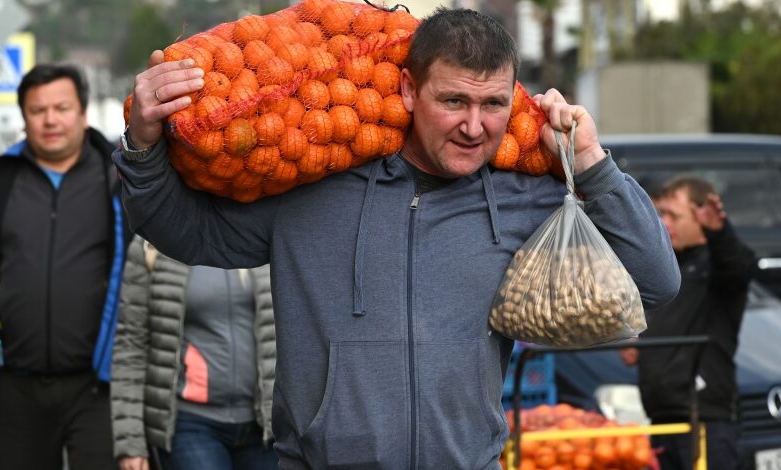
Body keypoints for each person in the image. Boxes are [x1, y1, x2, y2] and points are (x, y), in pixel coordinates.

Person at [113, 8, 680, 468]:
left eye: (493, 105)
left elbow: (655, 280)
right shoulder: (313, 189)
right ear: (408, 90)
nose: (474, 126)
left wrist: (593, 163)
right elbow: (184, 233)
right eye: (454, 101)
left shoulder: (523, 199)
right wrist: (141, 145)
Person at [0, 64, 129, 469]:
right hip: (13, 382)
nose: (50, 120)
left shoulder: (118, 177)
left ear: (82, 113)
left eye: (61, 107)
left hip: (98, 385)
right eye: (37, 110)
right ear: (24, 117)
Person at [620, 176, 756, 470]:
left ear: (701, 218)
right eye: (662, 214)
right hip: (660, 419)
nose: (664, 223)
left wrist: (720, 233)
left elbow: (739, 267)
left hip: (705, 421)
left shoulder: (716, 266)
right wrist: (639, 343)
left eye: (673, 216)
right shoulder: (666, 270)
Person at [111, 236, 278, 470]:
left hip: (267, 428)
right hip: (191, 425)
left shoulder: (265, 230)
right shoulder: (154, 238)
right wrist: (130, 440)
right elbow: (131, 342)